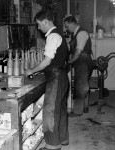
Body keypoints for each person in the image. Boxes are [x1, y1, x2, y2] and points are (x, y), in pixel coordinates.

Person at [25, 9, 69, 150]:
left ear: (45, 21)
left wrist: (31, 70)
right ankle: (63, 139)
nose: (39, 28)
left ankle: (52, 145)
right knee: (60, 111)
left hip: (55, 78)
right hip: (62, 76)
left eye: (39, 24)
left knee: (50, 111)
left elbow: (47, 62)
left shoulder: (52, 36)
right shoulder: (59, 34)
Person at [64, 16, 92, 117]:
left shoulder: (82, 33)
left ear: (72, 24)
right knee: (83, 83)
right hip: (80, 61)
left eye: (67, 26)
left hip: (83, 60)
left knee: (80, 85)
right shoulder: (75, 34)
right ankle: (85, 107)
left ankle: (77, 111)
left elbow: (78, 51)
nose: (66, 29)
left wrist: (70, 62)